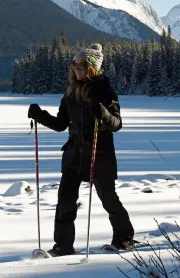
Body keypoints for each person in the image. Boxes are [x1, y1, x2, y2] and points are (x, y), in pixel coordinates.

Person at [27, 43, 135, 257]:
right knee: (65, 200)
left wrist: (103, 113)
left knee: (108, 198)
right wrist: (39, 115)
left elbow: (117, 124)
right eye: (74, 65)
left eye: (81, 65)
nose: (77, 69)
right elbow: (60, 124)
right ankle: (63, 246)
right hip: (74, 154)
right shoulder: (70, 93)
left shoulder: (105, 90)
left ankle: (124, 237)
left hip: (99, 154)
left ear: (92, 67)